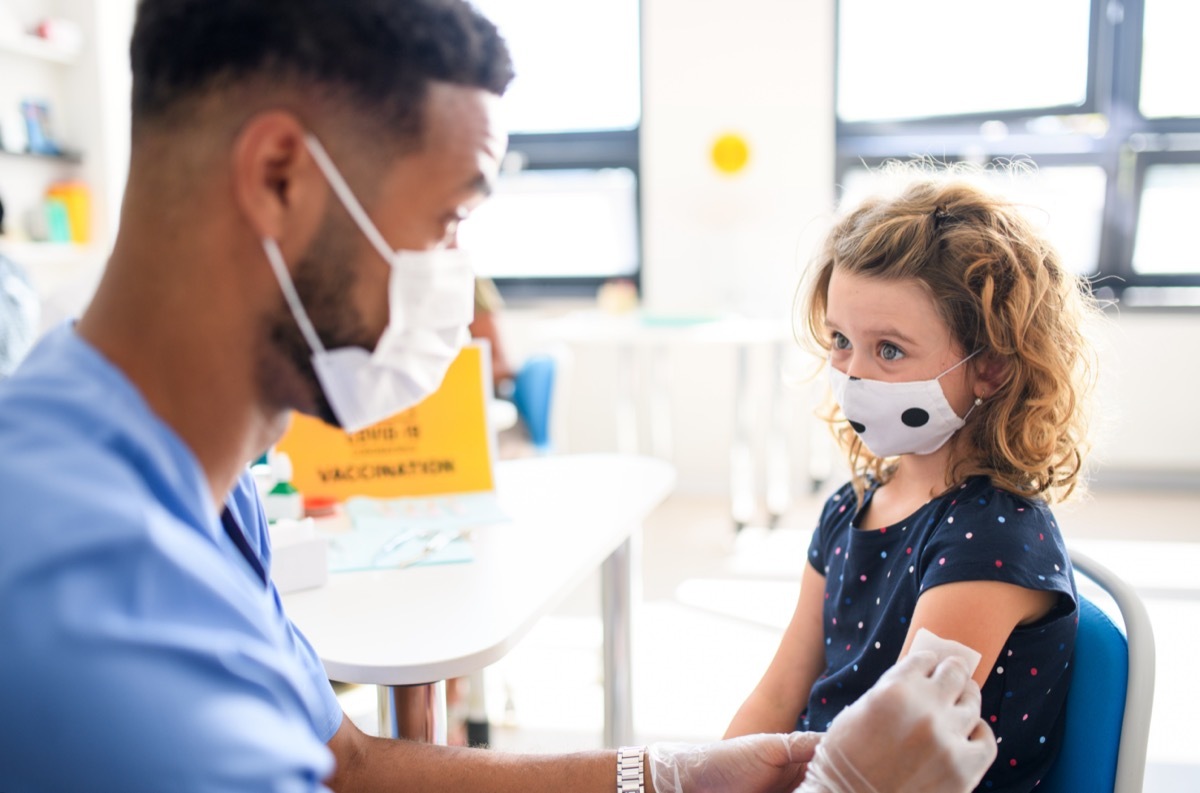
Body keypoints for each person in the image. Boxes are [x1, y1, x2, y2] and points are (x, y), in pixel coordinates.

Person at [0, 2, 995, 791]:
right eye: (446, 218)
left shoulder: (178, 472)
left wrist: (665, 779)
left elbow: (344, 767)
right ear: (279, 176)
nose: (459, 274)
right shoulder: (92, 624)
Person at [724, 172, 1102, 792]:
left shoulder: (994, 540)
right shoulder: (849, 508)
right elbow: (779, 694)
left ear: (989, 368)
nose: (853, 375)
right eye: (842, 341)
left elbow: (896, 755)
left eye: (890, 350)